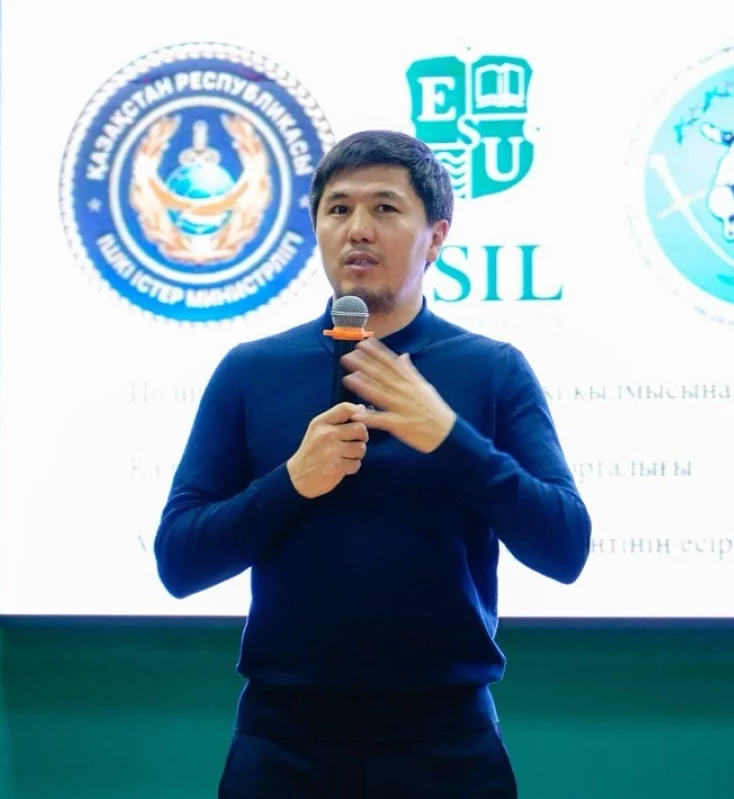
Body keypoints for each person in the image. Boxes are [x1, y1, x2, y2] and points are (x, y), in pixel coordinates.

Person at [153, 129, 591, 798]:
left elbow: (565, 547)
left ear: (436, 237)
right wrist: (291, 483)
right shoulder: (252, 371)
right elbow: (180, 561)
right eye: (338, 209)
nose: (358, 228)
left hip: (445, 745)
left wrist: (449, 436)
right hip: (284, 745)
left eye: (385, 207)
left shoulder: (492, 370)